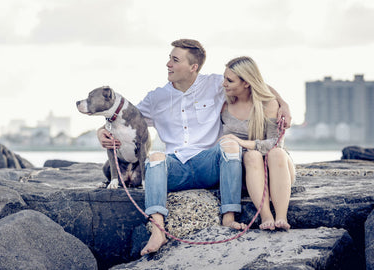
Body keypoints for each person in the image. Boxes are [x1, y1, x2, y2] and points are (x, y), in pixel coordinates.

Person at [97, 39, 292, 255]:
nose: (168, 64)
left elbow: (254, 83)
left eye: (175, 60)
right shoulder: (156, 97)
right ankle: (158, 231)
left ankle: (228, 217)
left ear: (193, 67)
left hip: (210, 163)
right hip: (176, 166)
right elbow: (125, 118)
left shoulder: (217, 84)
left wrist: (283, 103)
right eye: (169, 58)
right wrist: (101, 130)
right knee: (154, 158)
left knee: (228, 144)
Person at [219, 56, 296, 231]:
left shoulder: (268, 104)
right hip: (249, 172)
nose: (224, 83)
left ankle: (281, 216)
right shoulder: (225, 104)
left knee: (277, 152)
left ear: (246, 83)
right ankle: (266, 216)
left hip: (276, 168)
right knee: (252, 156)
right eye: (224, 78)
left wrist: (242, 142)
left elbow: (275, 143)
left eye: (229, 80)